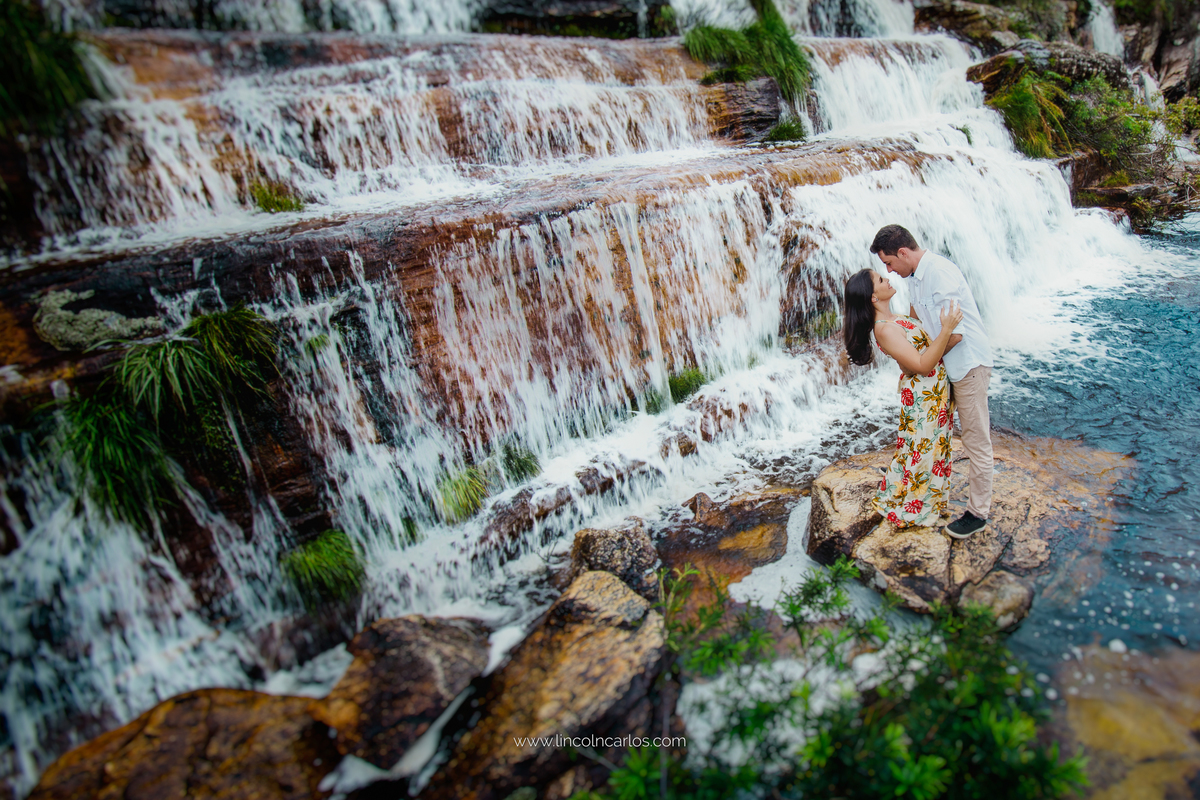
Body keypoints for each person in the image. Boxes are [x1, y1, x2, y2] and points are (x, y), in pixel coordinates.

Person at [869, 224, 994, 539]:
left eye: (889, 263)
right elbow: (918, 325)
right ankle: (920, 484)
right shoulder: (914, 278)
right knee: (934, 435)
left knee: (976, 439)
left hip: (967, 365)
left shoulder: (939, 275)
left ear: (903, 253)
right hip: (945, 370)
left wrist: (920, 363)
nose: (889, 271)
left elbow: (955, 334)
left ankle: (978, 513)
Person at [843, 269, 962, 529]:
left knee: (934, 448)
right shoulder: (884, 329)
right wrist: (947, 330)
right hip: (922, 397)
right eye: (881, 280)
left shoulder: (897, 318)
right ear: (873, 297)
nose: (887, 279)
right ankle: (912, 508)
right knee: (921, 452)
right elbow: (922, 365)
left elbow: (920, 350)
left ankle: (931, 502)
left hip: (934, 392)